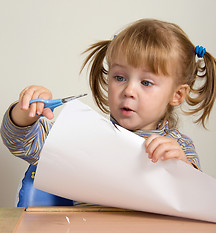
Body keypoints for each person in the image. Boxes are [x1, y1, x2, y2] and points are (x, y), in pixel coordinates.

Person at [1, 19, 216, 206]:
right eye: (119, 77)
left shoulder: (178, 146)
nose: (129, 90)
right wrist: (25, 115)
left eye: (147, 82)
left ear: (177, 95)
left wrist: (182, 168)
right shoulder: (86, 136)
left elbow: (195, 202)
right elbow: (22, 144)